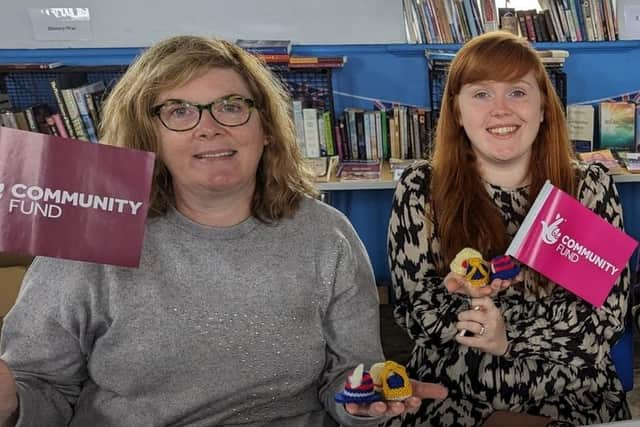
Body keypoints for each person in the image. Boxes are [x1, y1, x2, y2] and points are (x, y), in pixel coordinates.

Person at [0, 35, 447, 426]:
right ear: (147, 135)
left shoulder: (326, 235)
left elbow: (349, 378)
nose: (209, 128)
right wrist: (9, 405)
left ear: (267, 128)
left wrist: (360, 405)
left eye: (231, 106)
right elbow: (44, 388)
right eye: (178, 111)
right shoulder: (95, 229)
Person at [386, 31, 631, 427]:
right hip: (452, 398)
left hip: (573, 397)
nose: (501, 109)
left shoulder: (587, 188)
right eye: (481, 94)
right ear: (458, 110)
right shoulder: (422, 188)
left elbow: (602, 325)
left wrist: (507, 335)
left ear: (543, 108)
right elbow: (417, 316)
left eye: (517, 92)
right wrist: (463, 300)